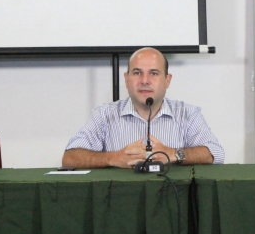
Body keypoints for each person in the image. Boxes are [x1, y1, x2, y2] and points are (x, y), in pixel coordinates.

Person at [62, 47, 224, 168]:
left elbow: (215, 153)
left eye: (153, 73)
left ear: (167, 80)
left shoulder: (188, 114)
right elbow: (69, 158)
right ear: (126, 79)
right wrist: (112, 158)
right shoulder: (104, 114)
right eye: (137, 73)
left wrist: (174, 154)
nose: (144, 80)